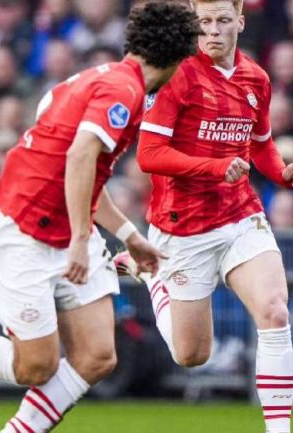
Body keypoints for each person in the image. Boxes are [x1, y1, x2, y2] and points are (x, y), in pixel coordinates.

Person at [0, 3, 200, 433]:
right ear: (178, 58)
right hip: (25, 232)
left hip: (65, 229)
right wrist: (81, 239)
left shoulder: (98, 79)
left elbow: (86, 174)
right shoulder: (123, 92)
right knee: (35, 366)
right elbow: (79, 157)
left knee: (97, 355)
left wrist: (128, 235)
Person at [117, 1, 293, 431]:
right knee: (192, 354)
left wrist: (284, 174)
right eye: (205, 22)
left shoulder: (257, 78)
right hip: (184, 227)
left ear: (240, 22)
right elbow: (149, 155)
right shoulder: (177, 74)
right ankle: (152, 277)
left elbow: (260, 145)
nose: (213, 31)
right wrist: (214, 167)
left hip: (240, 215)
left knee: (275, 311)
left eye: (222, 21)